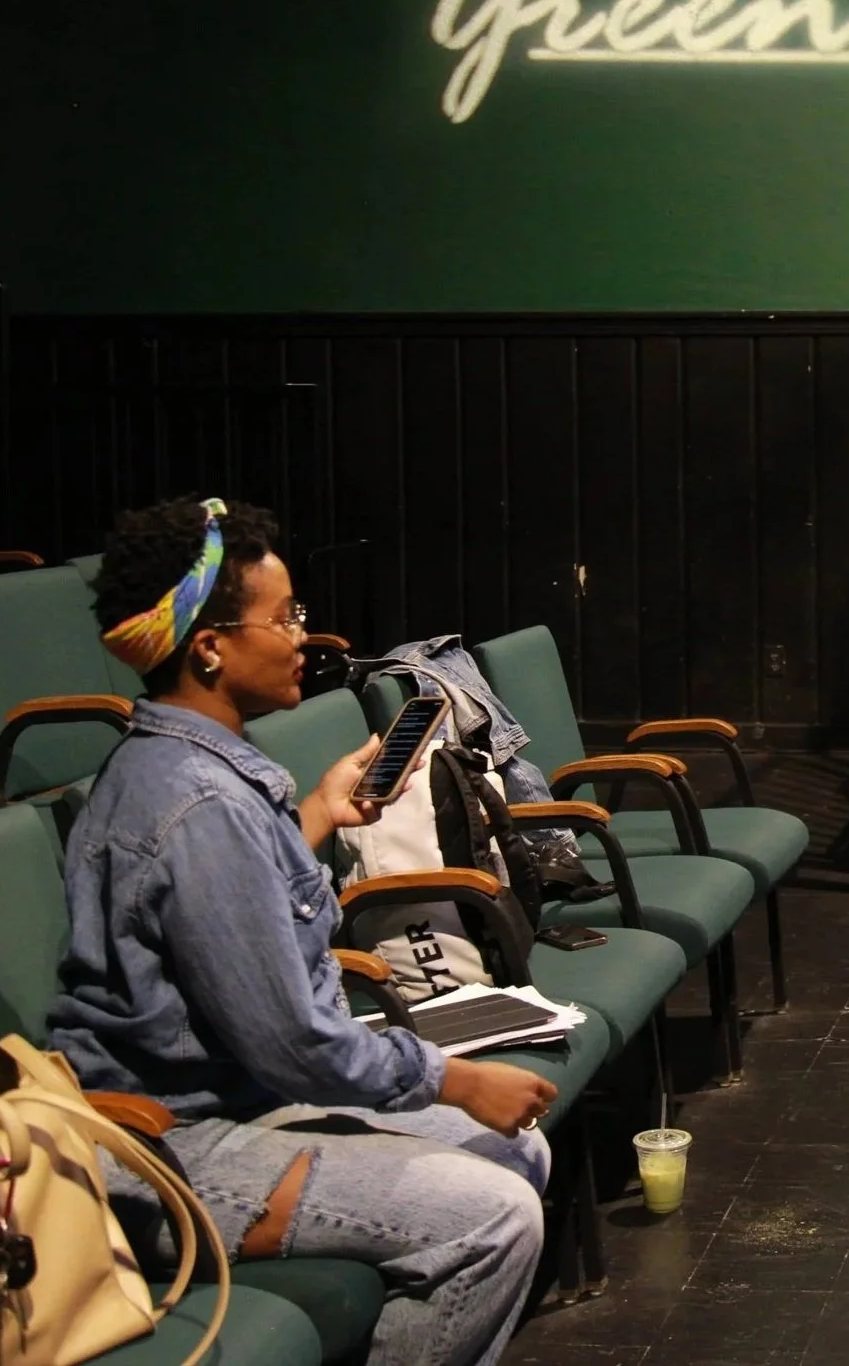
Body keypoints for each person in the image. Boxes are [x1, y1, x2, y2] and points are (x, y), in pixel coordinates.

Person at [48, 496, 560, 1366]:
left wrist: (322, 809)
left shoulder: (189, 768)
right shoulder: (199, 804)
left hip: (234, 1096)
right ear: (209, 646)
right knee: (494, 1214)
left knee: (517, 1148)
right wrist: (458, 1080)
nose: (301, 638)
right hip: (172, 1145)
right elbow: (296, 1043)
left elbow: (240, 919)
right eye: (283, 618)